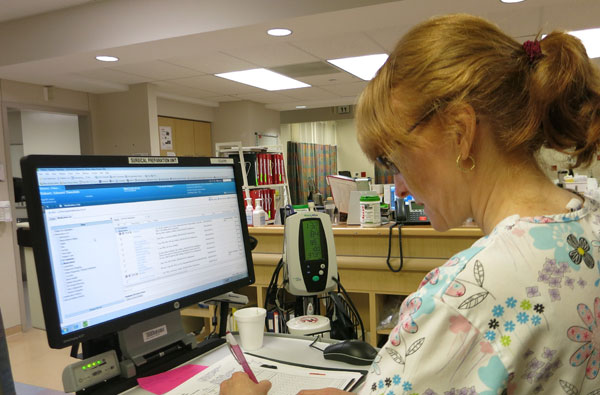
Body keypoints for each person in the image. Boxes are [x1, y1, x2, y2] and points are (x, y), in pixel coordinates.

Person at [220, 13, 600, 394]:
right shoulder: (590, 224)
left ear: (461, 132)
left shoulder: (464, 301)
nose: (398, 188)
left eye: (393, 161)